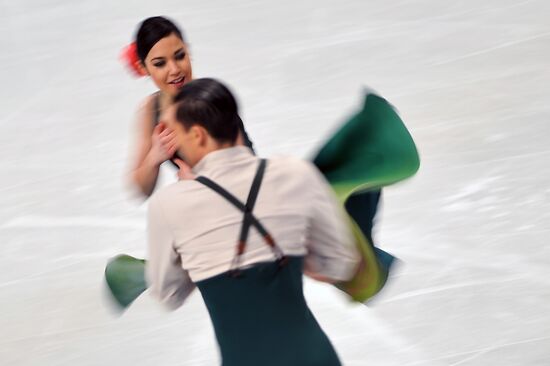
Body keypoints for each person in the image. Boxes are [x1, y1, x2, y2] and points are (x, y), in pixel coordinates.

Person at [146, 78, 359, 366]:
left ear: (197, 135)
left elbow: (168, 294)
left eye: (175, 136)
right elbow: (338, 264)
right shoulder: (296, 174)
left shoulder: (169, 205)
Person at [125, 16, 253, 197]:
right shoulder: (150, 108)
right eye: (160, 64)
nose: (175, 69)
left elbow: (248, 170)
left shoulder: (210, 100)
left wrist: (197, 182)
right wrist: (154, 157)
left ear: (188, 51)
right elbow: (142, 190)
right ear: (143, 67)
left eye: (180, 56)